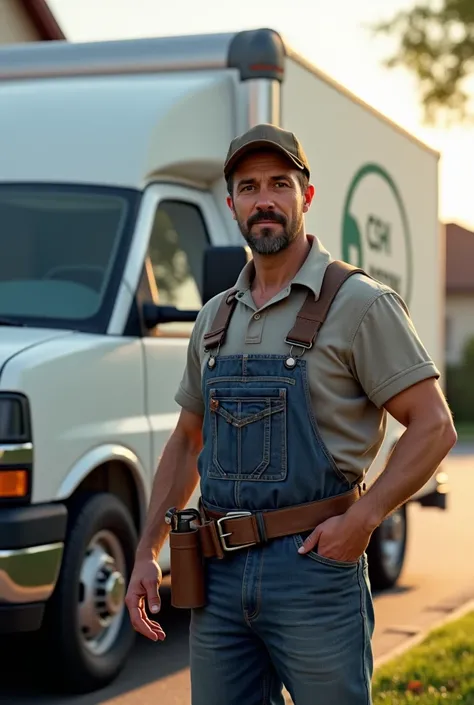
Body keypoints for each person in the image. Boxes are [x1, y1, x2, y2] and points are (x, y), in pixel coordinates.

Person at [125, 123, 457, 705]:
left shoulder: (360, 304)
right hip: (218, 576)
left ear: (306, 195)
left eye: (281, 183)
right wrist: (146, 551)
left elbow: (434, 426)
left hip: (315, 571)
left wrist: (364, 520)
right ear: (232, 205)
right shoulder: (213, 319)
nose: (265, 200)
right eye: (249, 188)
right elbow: (186, 441)